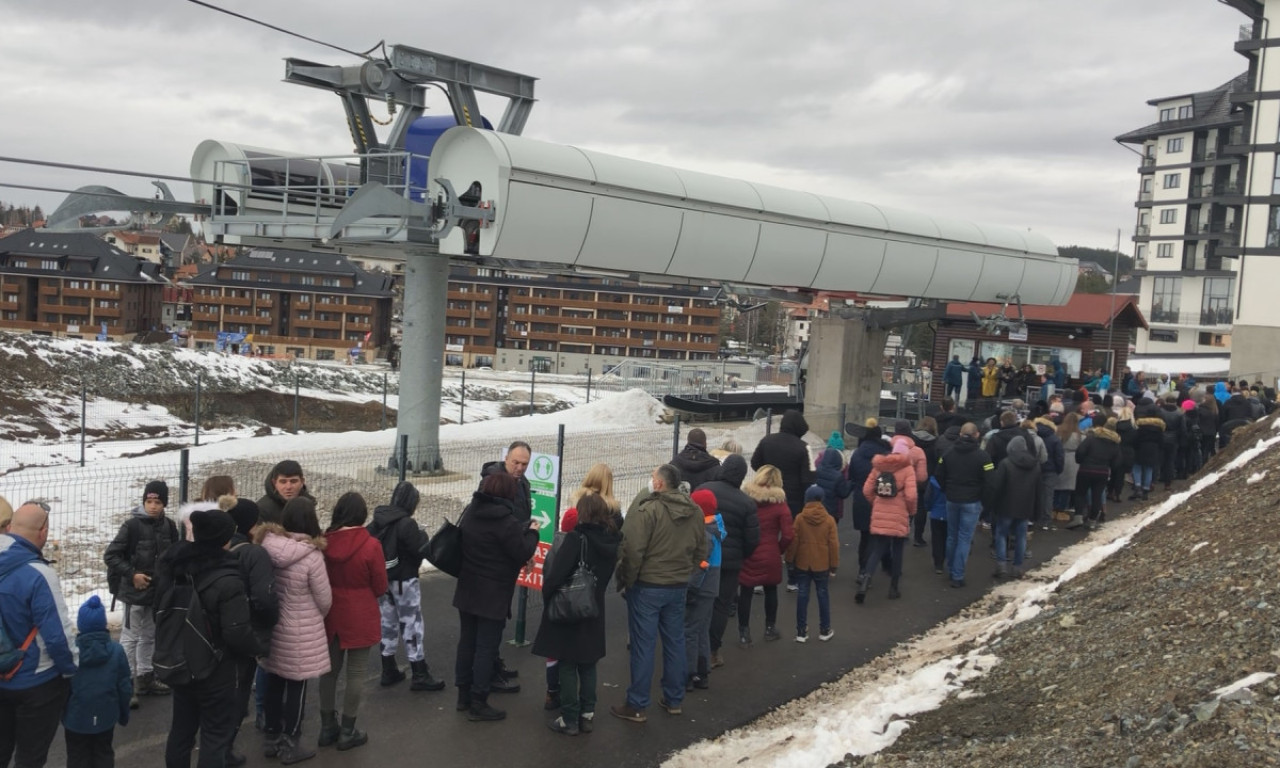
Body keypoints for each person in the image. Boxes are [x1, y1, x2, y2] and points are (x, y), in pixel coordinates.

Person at [157, 509, 267, 768]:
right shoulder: (228, 578)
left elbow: (159, 609)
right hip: (215, 667)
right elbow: (236, 631)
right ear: (225, 540)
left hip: (180, 658)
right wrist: (258, 647)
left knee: (181, 730)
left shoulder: (174, 566)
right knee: (215, 735)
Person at [611, 465, 707, 724]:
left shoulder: (649, 510)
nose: (651, 481)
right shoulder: (695, 511)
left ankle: (637, 704)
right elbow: (702, 549)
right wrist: (685, 572)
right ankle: (674, 699)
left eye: (653, 478)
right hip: (677, 585)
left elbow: (633, 551)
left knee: (643, 645)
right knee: (674, 641)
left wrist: (628, 580)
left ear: (660, 484)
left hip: (648, 586)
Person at [533, 494, 621, 736]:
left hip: (571, 607)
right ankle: (587, 714)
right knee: (589, 662)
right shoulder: (612, 540)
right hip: (595, 608)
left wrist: (549, 596)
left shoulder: (576, 539)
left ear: (583, 513)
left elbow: (556, 574)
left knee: (568, 663)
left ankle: (569, 717)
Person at [454, 472, 539, 722]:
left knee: (467, 642)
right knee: (486, 647)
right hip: (493, 593)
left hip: (468, 588)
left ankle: (463, 695)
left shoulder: (471, 512)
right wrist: (533, 532)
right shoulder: (506, 522)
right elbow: (521, 550)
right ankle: (479, 701)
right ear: (509, 494)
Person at [0, 502, 78, 768]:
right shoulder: (39, 574)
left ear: (11, 527)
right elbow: (58, 638)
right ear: (43, 532)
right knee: (30, 758)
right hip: (36, 681)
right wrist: (71, 671)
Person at [257, 497, 332, 763]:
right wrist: (315, 616)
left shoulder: (267, 546)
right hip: (302, 630)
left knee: (274, 683)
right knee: (297, 687)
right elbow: (324, 599)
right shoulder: (312, 555)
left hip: (274, 627)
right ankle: (291, 742)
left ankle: (271, 736)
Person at [317, 493, 385, 751]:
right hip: (360, 613)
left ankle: (327, 727)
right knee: (355, 674)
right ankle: (348, 730)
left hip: (331, 613)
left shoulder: (324, 543)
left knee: (329, 672)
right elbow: (380, 586)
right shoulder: (371, 545)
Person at [103, 479, 179, 706]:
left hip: (157, 594)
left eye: (158, 502)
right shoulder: (131, 526)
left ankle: (146, 677)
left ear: (164, 504)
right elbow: (111, 556)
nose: (153, 506)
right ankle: (126, 684)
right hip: (133, 593)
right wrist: (132, 575)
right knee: (130, 637)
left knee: (150, 635)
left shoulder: (169, 527)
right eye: (149, 501)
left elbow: (174, 557)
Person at [367, 481, 445, 692]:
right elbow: (420, 548)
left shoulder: (378, 520)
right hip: (405, 580)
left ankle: (388, 668)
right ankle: (419, 673)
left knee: (387, 623)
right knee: (411, 625)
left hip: (383, 582)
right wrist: (423, 534)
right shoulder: (406, 524)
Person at [224, 498, 278, 763]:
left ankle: (213, 743)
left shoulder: (218, 546)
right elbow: (264, 598)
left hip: (216, 630)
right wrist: (270, 621)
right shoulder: (254, 554)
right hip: (245, 630)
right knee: (239, 689)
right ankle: (224, 748)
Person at [695, 455, 759, 661]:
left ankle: (693, 646)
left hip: (701, 557)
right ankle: (712, 651)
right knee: (721, 605)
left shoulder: (703, 489)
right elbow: (752, 539)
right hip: (730, 563)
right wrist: (741, 555)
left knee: (698, 600)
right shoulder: (746, 503)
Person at [62, 595, 131, 768]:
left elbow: (62, 689)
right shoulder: (116, 651)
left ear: (80, 625)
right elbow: (124, 686)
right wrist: (123, 713)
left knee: (77, 756)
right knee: (103, 753)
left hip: (76, 719)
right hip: (106, 716)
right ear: (103, 624)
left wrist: (63, 714)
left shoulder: (71, 653)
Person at [737, 465, 793, 645]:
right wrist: (779, 549)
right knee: (771, 590)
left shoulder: (746, 500)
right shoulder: (780, 504)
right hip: (770, 553)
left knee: (746, 592)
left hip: (749, 551)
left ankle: (744, 633)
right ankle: (770, 628)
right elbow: (788, 535)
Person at [857, 442, 918, 603]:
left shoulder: (879, 467)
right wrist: (911, 511)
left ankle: (865, 581)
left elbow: (866, 490)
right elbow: (911, 496)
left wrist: (876, 503)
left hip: (880, 512)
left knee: (877, 549)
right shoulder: (908, 469)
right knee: (897, 551)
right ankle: (893, 588)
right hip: (899, 514)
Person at [936, 423, 994, 588]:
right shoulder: (983, 457)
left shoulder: (948, 453)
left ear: (960, 434)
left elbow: (939, 474)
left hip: (952, 499)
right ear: (977, 435)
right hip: (972, 501)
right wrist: (983, 500)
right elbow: (990, 481)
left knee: (952, 536)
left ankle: (951, 568)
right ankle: (957, 575)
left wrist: (947, 490)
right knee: (964, 538)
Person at [681, 490, 723, 691]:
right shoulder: (716, 527)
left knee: (689, 630)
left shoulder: (704, 533)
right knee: (702, 630)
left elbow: (700, 565)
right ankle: (702, 672)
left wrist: (690, 589)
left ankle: (689, 674)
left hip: (700, 588)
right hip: (711, 587)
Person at [786, 486, 839, 641]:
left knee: (802, 594)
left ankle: (801, 631)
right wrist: (833, 565)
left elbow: (794, 541)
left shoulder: (800, 518)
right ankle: (825, 629)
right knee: (823, 594)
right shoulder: (829, 520)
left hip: (803, 562)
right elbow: (834, 545)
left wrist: (790, 559)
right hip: (822, 563)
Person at [989, 437, 1044, 579]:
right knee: (1021, 536)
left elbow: (997, 486)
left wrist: (992, 505)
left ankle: (1001, 564)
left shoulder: (1005, 463)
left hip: (1006, 505)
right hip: (1026, 506)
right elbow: (1039, 490)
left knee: (1001, 534)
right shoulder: (1035, 465)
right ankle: (1017, 567)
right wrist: (1038, 510)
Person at [749, 410, 814, 517]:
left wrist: (768, 475)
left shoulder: (766, 441)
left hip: (767, 494)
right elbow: (808, 480)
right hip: (792, 501)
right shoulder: (804, 447)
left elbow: (755, 463)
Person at [1073, 417, 1124, 530]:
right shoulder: (1115, 444)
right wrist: (1109, 467)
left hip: (1086, 469)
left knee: (1080, 493)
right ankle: (1092, 520)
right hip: (1102, 472)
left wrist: (1080, 461)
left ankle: (1078, 516)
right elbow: (1117, 462)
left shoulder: (1091, 438)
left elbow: (1080, 451)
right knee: (1097, 496)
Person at [478, 441, 533, 523]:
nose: (520, 468)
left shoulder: (523, 482)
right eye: (516, 462)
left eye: (524, 464)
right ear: (506, 459)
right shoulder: (492, 483)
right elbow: (482, 518)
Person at [177, 475, 237, 542]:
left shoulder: (192, 515)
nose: (236, 492)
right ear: (227, 493)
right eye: (233, 489)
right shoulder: (225, 516)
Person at [1131, 402, 1166, 501]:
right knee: (1149, 469)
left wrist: (1135, 447)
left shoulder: (1140, 425)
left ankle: (1138, 486)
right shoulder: (1159, 427)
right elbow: (1161, 441)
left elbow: (1135, 439)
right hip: (1153, 449)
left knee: (1137, 467)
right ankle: (1146, 490)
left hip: (1140, 448)